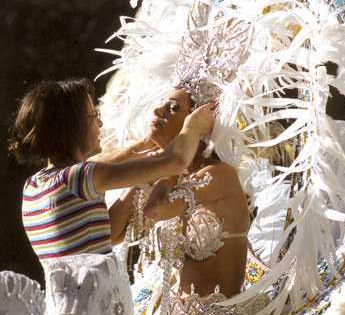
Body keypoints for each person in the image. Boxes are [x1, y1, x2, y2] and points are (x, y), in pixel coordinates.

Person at [111, 85, 256, 315]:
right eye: (161, 104)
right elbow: (111, 233)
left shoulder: (218, 174)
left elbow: (156, 210)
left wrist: (168, 164)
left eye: (174, 108)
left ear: (198, 123)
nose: (157, 110)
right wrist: (143, 166)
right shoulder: (164, 179)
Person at [8, 78, 215, 264]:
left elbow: (108, 234)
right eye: (93, 115)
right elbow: (177, 161)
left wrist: (141, 151)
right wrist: (193, 126)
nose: (100, 122)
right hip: (91, 301)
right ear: (73, 126)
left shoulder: (35, 184)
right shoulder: (80, 177)